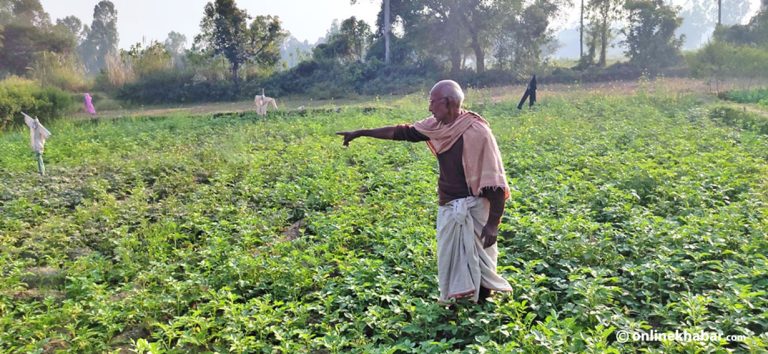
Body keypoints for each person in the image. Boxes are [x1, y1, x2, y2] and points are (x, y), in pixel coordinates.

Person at [336, 80, 513, 304]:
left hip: (476, 208)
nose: (429, 108)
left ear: (448, 103)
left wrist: (492, 224)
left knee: (481, 261)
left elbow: (495, 182)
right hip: (449, 205)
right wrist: (361, 132)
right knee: (450, 258)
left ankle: (482, 307)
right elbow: (403, 132)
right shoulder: (437, 126)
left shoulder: (478, 132)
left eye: (432, 102)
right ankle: (459, 304)